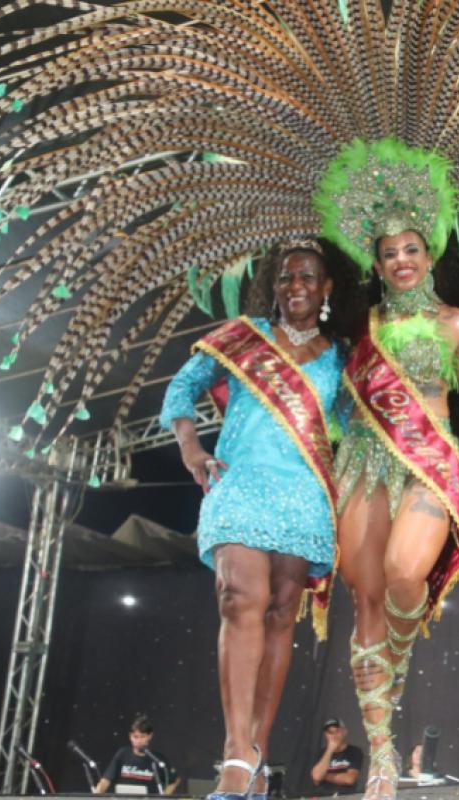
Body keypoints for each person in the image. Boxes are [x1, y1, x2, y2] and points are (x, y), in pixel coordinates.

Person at [326, 138, 459, 800]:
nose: (401, 260)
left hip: (429, 462)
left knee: (402, 576)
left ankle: (396, 653)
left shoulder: (456, 323)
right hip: (363, 464)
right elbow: (336, 401)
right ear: (377, 261)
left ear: (429, 254)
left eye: (411, 249)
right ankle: (385, 751)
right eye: (389, 252)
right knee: (366, 598)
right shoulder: (360, 325)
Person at [160, 239, 355, 800]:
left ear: (327, 288)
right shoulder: (246, 335)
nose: (296, 286)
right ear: (275, 284)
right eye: (287, 277)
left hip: (304, 494)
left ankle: (258, 757)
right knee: (239, 599)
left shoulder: (340, 355)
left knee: (277, 614)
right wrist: (191, 449)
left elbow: (350, 423)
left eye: (308, 277)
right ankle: (234, 755)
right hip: (240, 484)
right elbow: (182, 387)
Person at [94, 715, 180, 795]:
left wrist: (163, 798)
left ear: (150, 736)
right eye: (135, 737)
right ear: (130, 736)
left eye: (142, 737)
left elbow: (173, 781)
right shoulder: (122, 754)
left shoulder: (157, 759)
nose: (139, 741)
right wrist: (95, 797)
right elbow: (105, 781)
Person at [309, 718, 363, 795]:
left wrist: (324, 776)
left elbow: (350, 779)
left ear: (344, 732)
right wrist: (330, 749)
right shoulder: (320, 753)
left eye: (337, 731)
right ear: (325, 735)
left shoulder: (354, 751)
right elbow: (316, 777)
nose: (334, 735)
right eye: (330, 732)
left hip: (346, 797)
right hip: (324, 796)